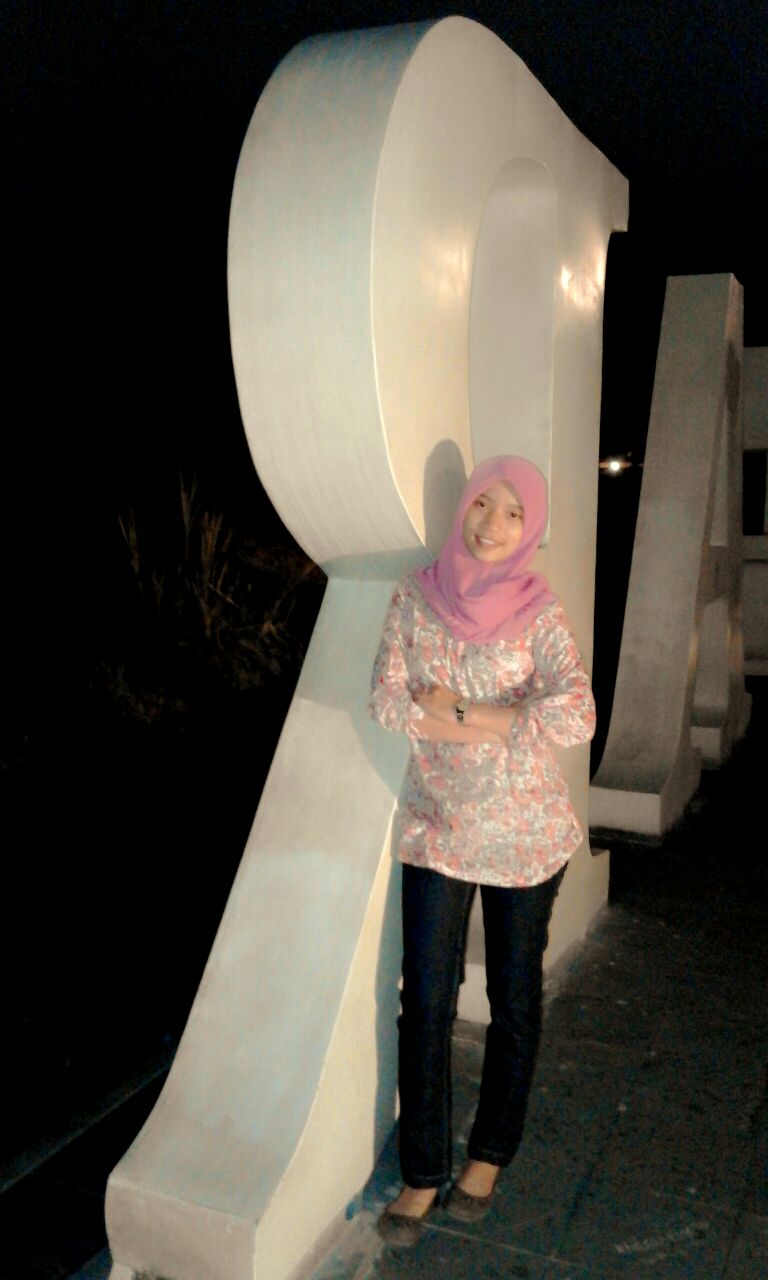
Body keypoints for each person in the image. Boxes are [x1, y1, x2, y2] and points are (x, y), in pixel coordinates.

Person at [368, 455, 596, 1246]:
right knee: (426, 1000)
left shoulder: (538, 611)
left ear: (529, 528)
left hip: (526, 834)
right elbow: (387, 699)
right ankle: (422, 1171)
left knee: (512, 999)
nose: (491, 524)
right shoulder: (415, 596)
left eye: (512, 512)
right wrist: (505, 721)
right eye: (482, 505)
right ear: (463, 507)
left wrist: (464, 712)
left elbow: (577, 715)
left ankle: (489, 1156)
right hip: (437, 828)